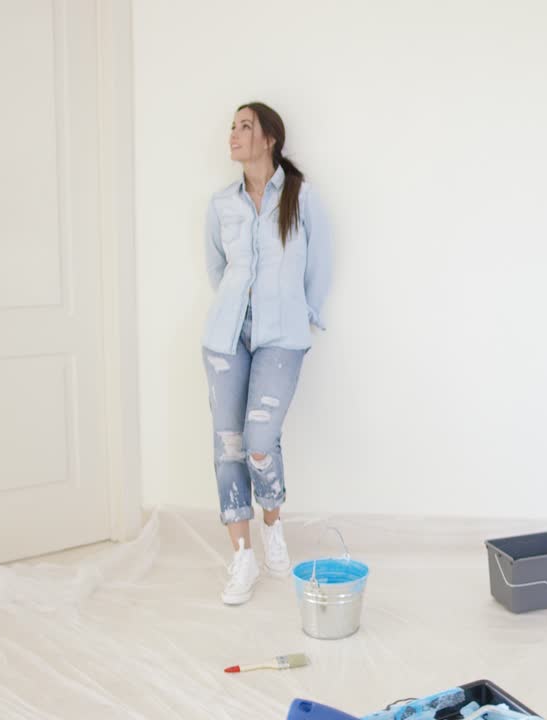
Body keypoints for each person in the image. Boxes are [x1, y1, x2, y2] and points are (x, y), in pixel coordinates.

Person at [201, 102, 332, 605]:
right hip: (225, 338)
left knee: (260, 440)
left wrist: (306, 313)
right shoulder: (221, 205)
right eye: (232, 126)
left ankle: (272, 525)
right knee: (228, 445)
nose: (234, 134)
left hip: (282, 336)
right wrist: (237, 309)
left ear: (270, 139)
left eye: (244, 126)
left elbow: (319, 262)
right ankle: (242, 557)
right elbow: (218, 269)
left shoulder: (301, 198)